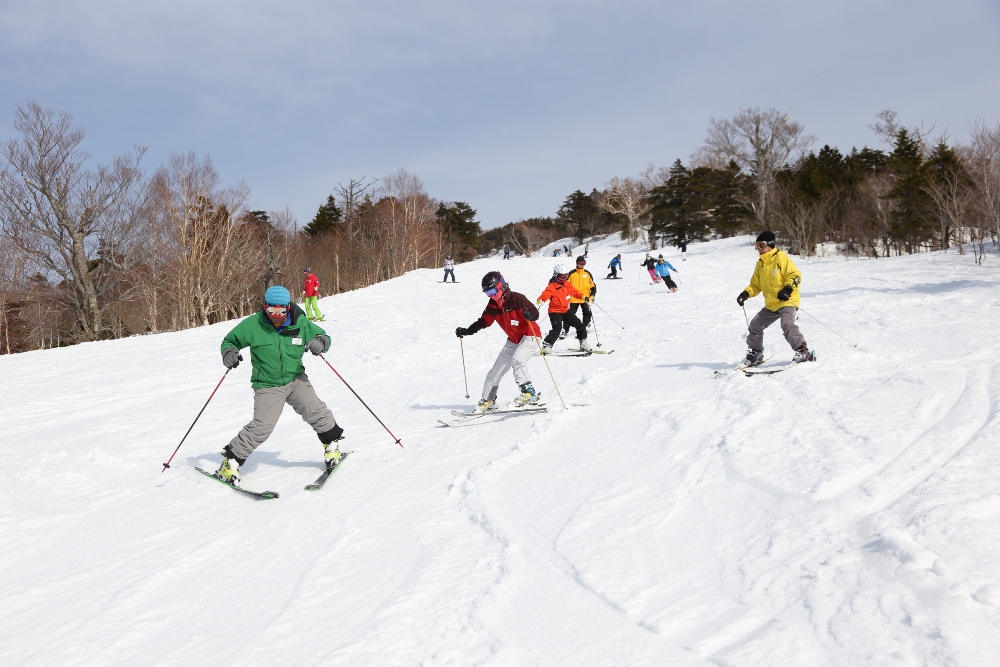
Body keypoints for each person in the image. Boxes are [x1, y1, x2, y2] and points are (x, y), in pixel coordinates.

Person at [215, 286, 343, 487]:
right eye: (272, 311)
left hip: (295, 379)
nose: (276, 315)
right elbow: (230, 341)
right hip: (267, 385)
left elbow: (323, 336)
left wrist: (320, 343)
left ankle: (332, 445)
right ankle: (230, 463)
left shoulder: (300, 322)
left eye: (281, 311)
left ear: (288, 307)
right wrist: (229, 353)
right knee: (262, 427)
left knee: (315, 410)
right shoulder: (253, 325)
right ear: (265, 307)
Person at [455, 272, 542, 413]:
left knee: (518, 359)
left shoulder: (517, 299)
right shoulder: (493, 306)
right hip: (513, 340)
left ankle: (529, 394)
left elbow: (534, 312)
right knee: (494, 372)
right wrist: (467, 331)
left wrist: (530, 315)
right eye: (488, 293)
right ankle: (488, 400)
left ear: (501, 286)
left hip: (531, 335)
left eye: (493, 291)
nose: (491, 295)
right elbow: (483, 321)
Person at [736, 231, 815, 366]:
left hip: (787, 300)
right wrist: (746, 293)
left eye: (761, 245)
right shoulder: (760, 264)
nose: (758, 249)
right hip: (772, 304)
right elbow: (756, 284)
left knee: (787, 323)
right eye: (757, 246)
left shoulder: (781, 258)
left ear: (770, 245)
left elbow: (794, 275)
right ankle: (756, 352)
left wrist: (787, 289)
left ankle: (803, 351)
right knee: (755, 325)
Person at [538, 263, 589, 352]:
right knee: (557, 329)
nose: (565, 278)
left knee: (580, 325)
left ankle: (583, 342)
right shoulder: (551, 287)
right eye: (562, 276)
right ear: (556, 275)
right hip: (554, 312)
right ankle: (547, 345)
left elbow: (574, 292)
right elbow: (545, 294)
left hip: (565, 310)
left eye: (566, 276)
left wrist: (583, 297)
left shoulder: (567, 284)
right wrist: (541, 300)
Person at [562, 256, 596, 339]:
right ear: (577, 263)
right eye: (580, 263)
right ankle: (564, 330)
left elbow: (593, 286)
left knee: (587, 313)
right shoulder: (571, 273)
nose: (582, 265)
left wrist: (592, 295)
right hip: (574, 298)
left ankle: (585, 326)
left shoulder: (587, 273)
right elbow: (565, 285)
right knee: (569, 314)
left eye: (584, 263)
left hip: (585, 298)